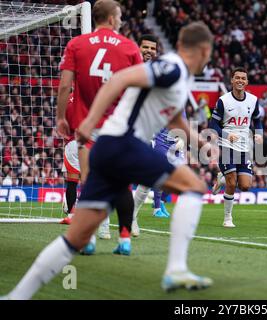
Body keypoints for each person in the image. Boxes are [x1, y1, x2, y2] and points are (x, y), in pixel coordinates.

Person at [4, 22, 214, 300]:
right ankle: (176, 269)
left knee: (75, 238)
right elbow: (118, 80)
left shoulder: (180, 77)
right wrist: (90, 120)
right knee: (194, 188)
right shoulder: (172, 67)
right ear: (204, 50)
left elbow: (173, 118)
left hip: (108, 148)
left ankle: (16, 296)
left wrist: (201, 143)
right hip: (123, 142)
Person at [56, 0, 143, 254]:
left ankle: (90, 238)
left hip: (87, 127)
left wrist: (62, 117)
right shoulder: (129, 47)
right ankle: (124, 240)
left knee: (89, 180)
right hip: (118, 127)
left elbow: (64, 87)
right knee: (122, 182)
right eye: (120, 17)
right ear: (113, 19)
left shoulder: (76, 44)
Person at [131, 34, 187, 237]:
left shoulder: (161, 75)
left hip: (152, 133)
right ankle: (99, 224)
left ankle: (133, 217)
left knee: (150, 176)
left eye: (152, 48)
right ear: (138, 48)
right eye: (145, 47)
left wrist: (181, 134)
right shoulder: (129, 69)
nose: (148, 51)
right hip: (125, 128)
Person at [209, 67, 263, 227]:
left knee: (245, 186)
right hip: (226, 145)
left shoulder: (253, 100)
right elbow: (213, 125)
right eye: (237, 78)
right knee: (232, 183)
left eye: (243, 78)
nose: (240, 80)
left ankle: (221, 178)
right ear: (232, 80)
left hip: (244, 147)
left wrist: (258, 133)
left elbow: (257, 119)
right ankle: (227, 218)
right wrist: (227, 135)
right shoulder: (223, 101)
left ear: (247, 82)